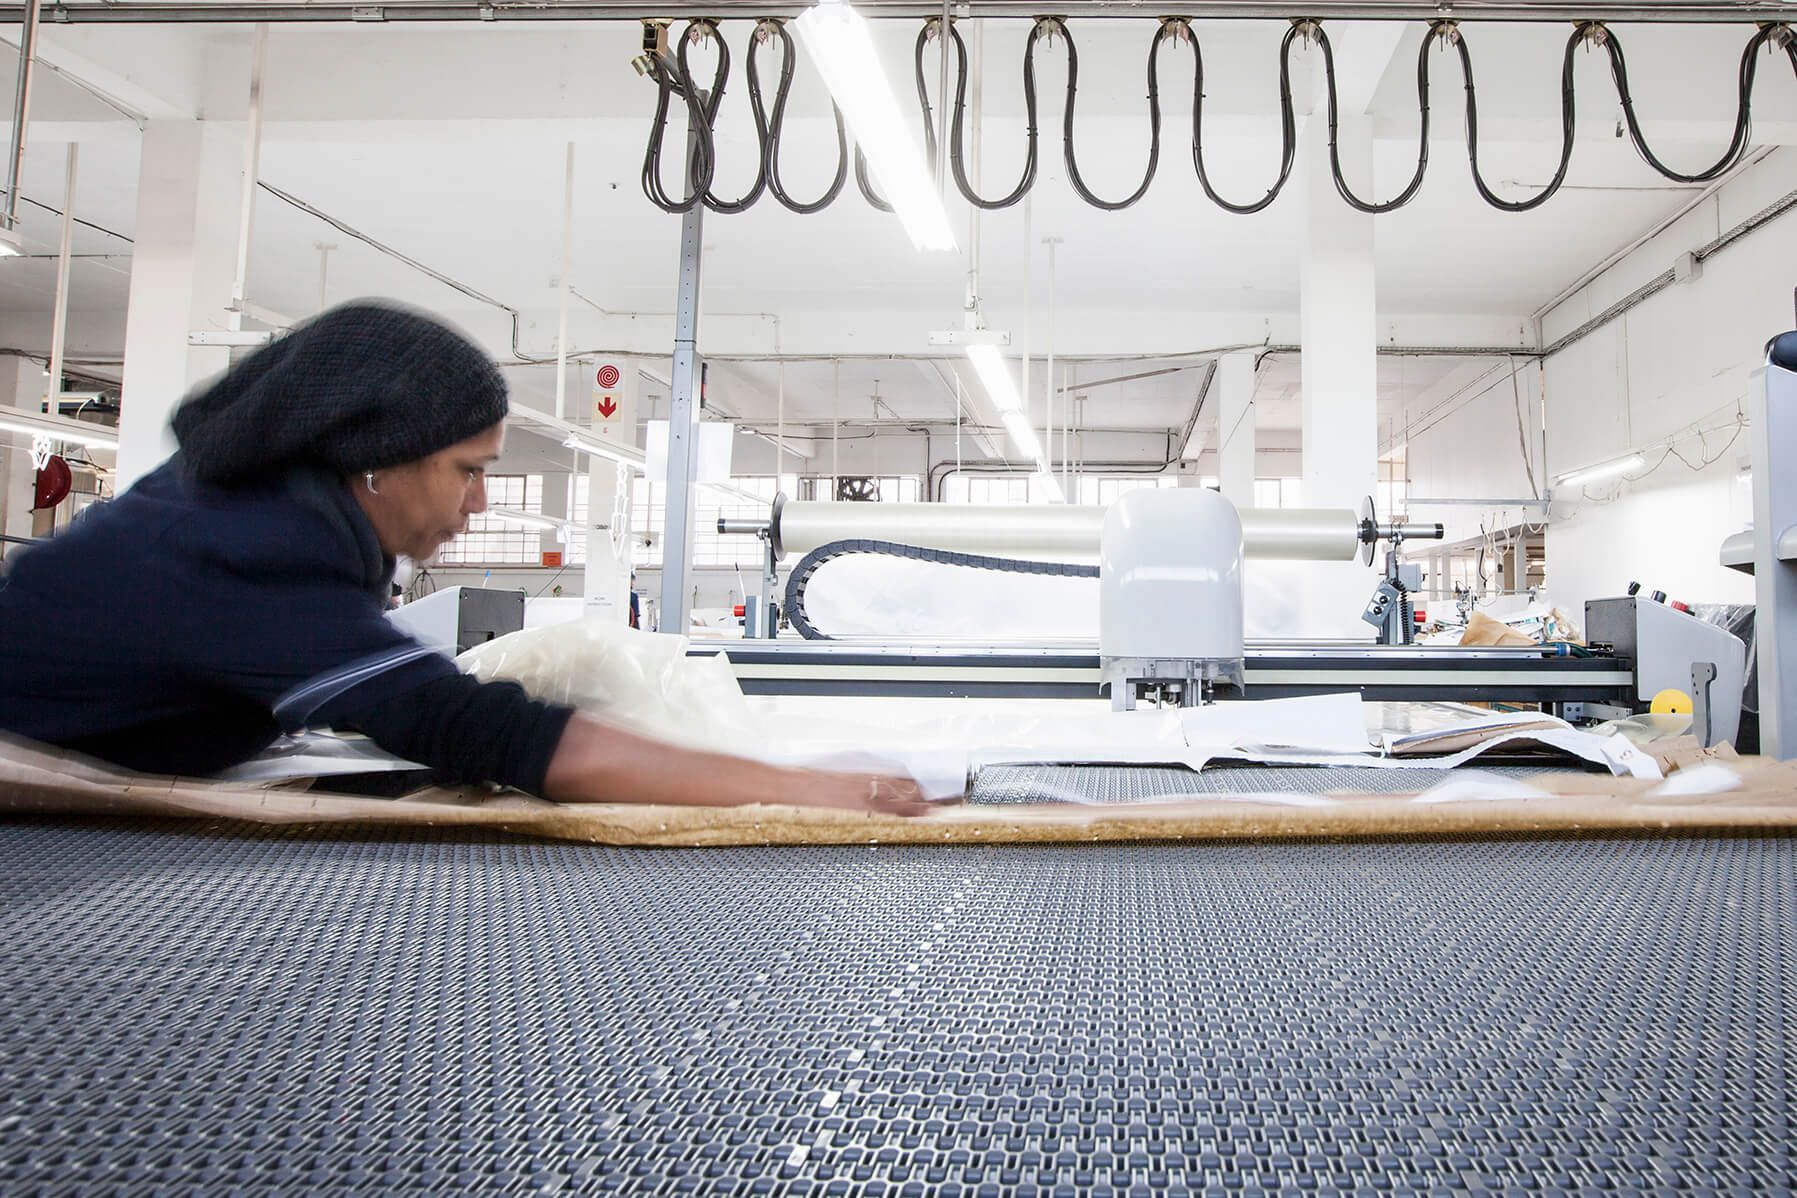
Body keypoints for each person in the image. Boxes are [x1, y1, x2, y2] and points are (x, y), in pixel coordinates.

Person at [0, 301, 930, 816]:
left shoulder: (258, 510)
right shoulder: (247, 552)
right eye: (468, 471)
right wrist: (801, 792)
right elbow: (485, 735)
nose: (480, 502)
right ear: (370, 462)